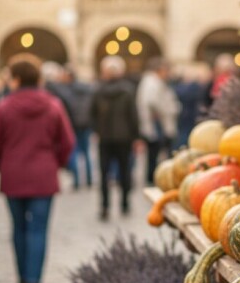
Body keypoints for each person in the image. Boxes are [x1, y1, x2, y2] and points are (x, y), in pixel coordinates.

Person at [0, 53, 73, 283]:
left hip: (13, 174)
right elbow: (67, 142)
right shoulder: (53, 105)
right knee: (38, 230)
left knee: (18, 227)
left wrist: (2, 165)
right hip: (43, 175)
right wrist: (55, 163)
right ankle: (35, 280)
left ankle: (22, 276)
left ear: (15, 79)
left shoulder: (4, 106)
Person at [91, 56, 139, 219]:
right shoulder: (127, 90)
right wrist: (136, 136)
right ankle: (125, 203)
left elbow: (92, 113)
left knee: (104, 173)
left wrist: (97, 130)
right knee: (125, 171)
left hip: (105, 137)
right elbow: (133, 115)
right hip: (124, 137)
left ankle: (105, 206)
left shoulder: (98, 90)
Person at [135, 57, 180, 184]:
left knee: (156, 155)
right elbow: (153, 102)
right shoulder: (152, 83)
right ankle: (153, 179)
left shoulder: (156, 82)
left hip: (158, 124)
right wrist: (167, 111)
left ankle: (156, 177)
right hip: (157, 125)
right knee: (154, 155)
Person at [59, 66, 94, 189]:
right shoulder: (87, 89)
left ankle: (77, 181)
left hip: (72, 124)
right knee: (86, 152)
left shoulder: (66, 91)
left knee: (73, 152)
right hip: (86, 124)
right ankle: (89, 179)